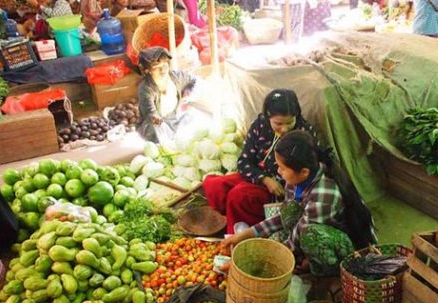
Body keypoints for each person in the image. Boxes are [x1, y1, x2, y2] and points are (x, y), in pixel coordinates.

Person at [223, 131, 376, 276]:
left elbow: (299, 236)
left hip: (345, 246)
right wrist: (245, 235)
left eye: (282, 168)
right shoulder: (295, 179)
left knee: (309, 236)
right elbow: (282, 217)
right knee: (288, 212)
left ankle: (329, 273)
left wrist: (255, 263)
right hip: (315, 227)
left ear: (304, 172)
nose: (278, 172)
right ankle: (307, 259)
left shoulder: (324, 196)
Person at [203, 89, 317, 234]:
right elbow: (244, 162)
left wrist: (277, 184)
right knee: (214, 184)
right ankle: (229, 217)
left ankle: (240, 232)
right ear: (267, 117)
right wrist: (264, 179)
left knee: (238, 196)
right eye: (278, 123)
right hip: (258, 175)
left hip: (281, 187)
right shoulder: (259, 125)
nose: (284, 129)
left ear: (297, 116)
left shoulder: (304, 133)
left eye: (289, 123)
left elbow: (303, 173)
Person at [137, 47, 197, 143]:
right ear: (147, 70)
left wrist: (188, 93)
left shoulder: (176, 77)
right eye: (156, 67)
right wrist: (169, 139)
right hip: (154, 125)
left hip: (173, 119)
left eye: (165, 65)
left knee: (193, 116)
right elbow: (152, 115)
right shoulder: (145, 89)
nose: (163, 70)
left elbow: (194, 80)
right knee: (155, 129)